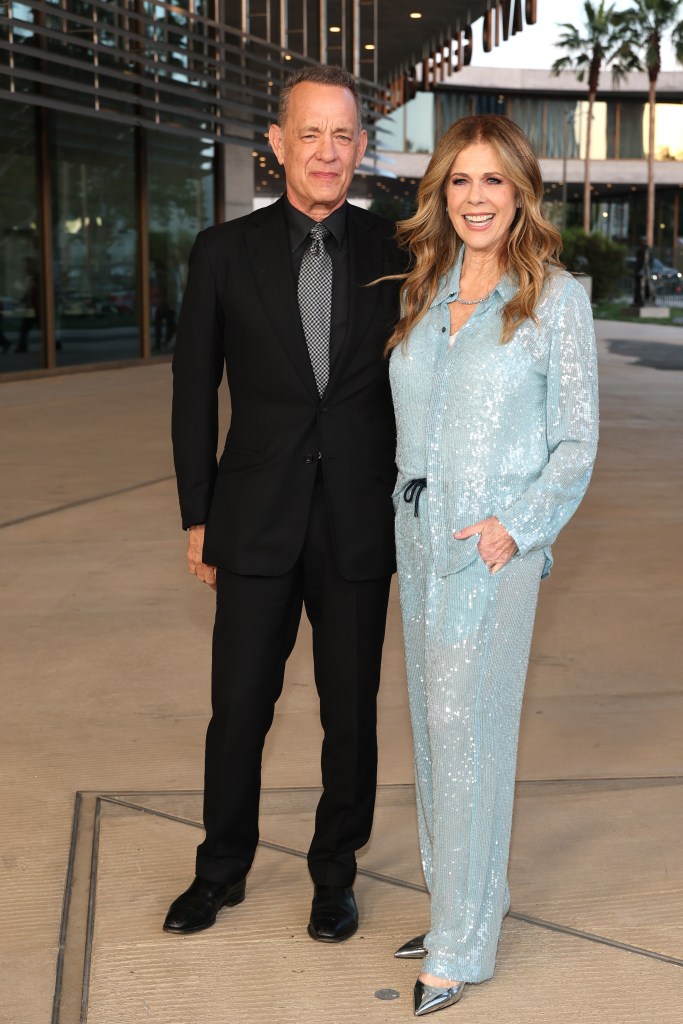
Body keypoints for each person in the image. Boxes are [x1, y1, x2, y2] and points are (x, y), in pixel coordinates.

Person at [165, 65, 404, 942]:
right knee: (238, 710)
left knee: (350, 718)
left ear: (361, 149)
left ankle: (333, 876)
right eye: (310, 133)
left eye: (343, 135)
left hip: (357, 524)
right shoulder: (221, 252)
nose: (327, 152)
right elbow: (195, 393)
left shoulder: (399, 250)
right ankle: (219, 871)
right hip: (254, 521)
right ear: (276, 145)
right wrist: (199, 516)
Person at [387, 115, 598, 1016]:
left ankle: (461, 941)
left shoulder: (555, 298)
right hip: (417, 533)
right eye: (459, 181)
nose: (474, 198)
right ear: (441, 192)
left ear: (520, 194)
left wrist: (517, 528)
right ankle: (459, 904)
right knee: (435, 737)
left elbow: (575, 442)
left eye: (492, 182)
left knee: (467, 733)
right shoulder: (426, 290)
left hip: (493, 547)